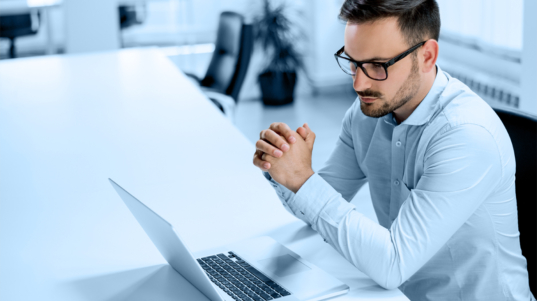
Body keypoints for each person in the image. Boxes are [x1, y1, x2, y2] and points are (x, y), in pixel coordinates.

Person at [252, 0, 534, 300]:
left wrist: (302, 180)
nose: (359, 83)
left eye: (377, 66)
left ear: (427, 56)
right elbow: (314, 207)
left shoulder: (465, 135)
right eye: (353, 62)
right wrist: (283, 167)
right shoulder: (366, 114)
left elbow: (393, 264)